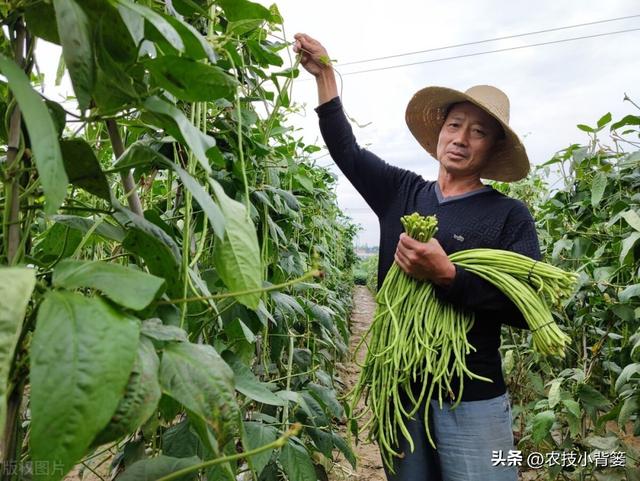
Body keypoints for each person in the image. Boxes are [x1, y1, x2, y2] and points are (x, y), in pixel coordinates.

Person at [293, 33, 541, 481]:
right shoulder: (401, 192)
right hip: (401, 392)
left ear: (492, 149)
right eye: (454, 125)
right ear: (440, 133)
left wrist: (448, 275)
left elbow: (528, 308)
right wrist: (326, 78)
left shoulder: (509, 215)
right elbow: (346, 150)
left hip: (473, 395)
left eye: (478, 132)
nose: (462, 139)